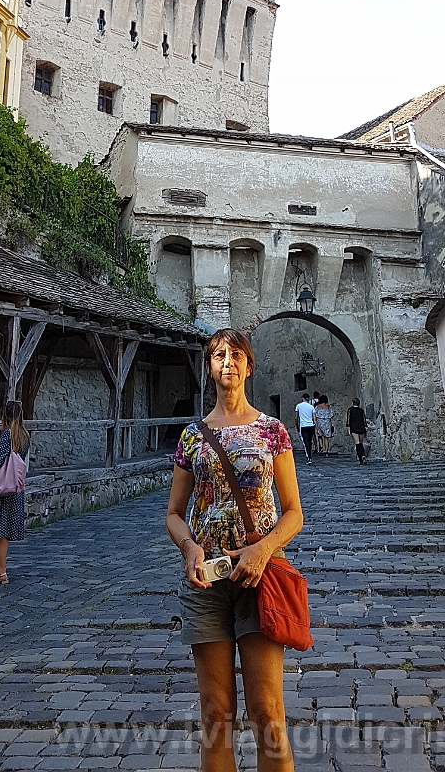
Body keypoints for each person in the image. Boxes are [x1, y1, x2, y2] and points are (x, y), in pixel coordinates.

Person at [166, 328, 303, 771]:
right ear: (210, 367)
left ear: (248, 366)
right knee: (216, 715)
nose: (227, 362)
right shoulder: (192, 436)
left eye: (235, 355)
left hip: (261, 578)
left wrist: (262, 551)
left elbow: (294, 512)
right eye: (218, 355)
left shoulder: (272, 431)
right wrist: (189, 547)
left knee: (268, 713)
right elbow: (174, 513)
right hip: (206, 581)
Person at [0, 399, 31, 584]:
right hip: (15, 488)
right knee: (3, 528)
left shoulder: (7, 435)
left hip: (2, 488)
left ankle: (1, 572)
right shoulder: (24, 436)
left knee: (0, 530)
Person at [294, 392, 316, 464]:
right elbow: (314, 418)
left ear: (302, 398)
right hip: (311, 425)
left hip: (303, 426)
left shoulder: (299, 406)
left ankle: (309, 457)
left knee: (305, 442)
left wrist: (296, 425)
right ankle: (309, 455)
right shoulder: (311, 407)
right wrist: (316, 427)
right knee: (309, 441)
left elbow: (296, 418)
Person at [346, 397, 368, 465]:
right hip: (361, 428)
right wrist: (365, 428)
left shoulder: (350, 410)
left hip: (354, 428)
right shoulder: (361, 410)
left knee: (357, 443)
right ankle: (363, 455)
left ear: (353, 403)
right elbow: (364, 420)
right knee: (361, 443)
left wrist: (348, 429)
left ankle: (361, 459)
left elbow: (348, 420)